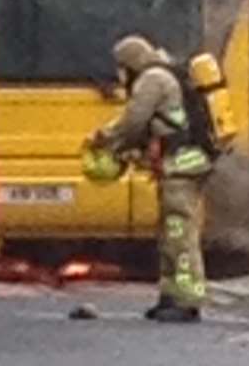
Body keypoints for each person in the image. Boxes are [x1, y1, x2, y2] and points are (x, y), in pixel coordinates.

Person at [87, 34, 212, 323]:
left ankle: (187, 299)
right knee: (169, 233)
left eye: (121, 68)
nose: (119, 76)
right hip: (181, 163)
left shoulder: (152, 79)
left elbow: (133, 121)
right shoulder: (163, 74)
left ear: (129, 64)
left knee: (179, 232)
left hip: (181, 165)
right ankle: (170, 294)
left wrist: (105, 140)